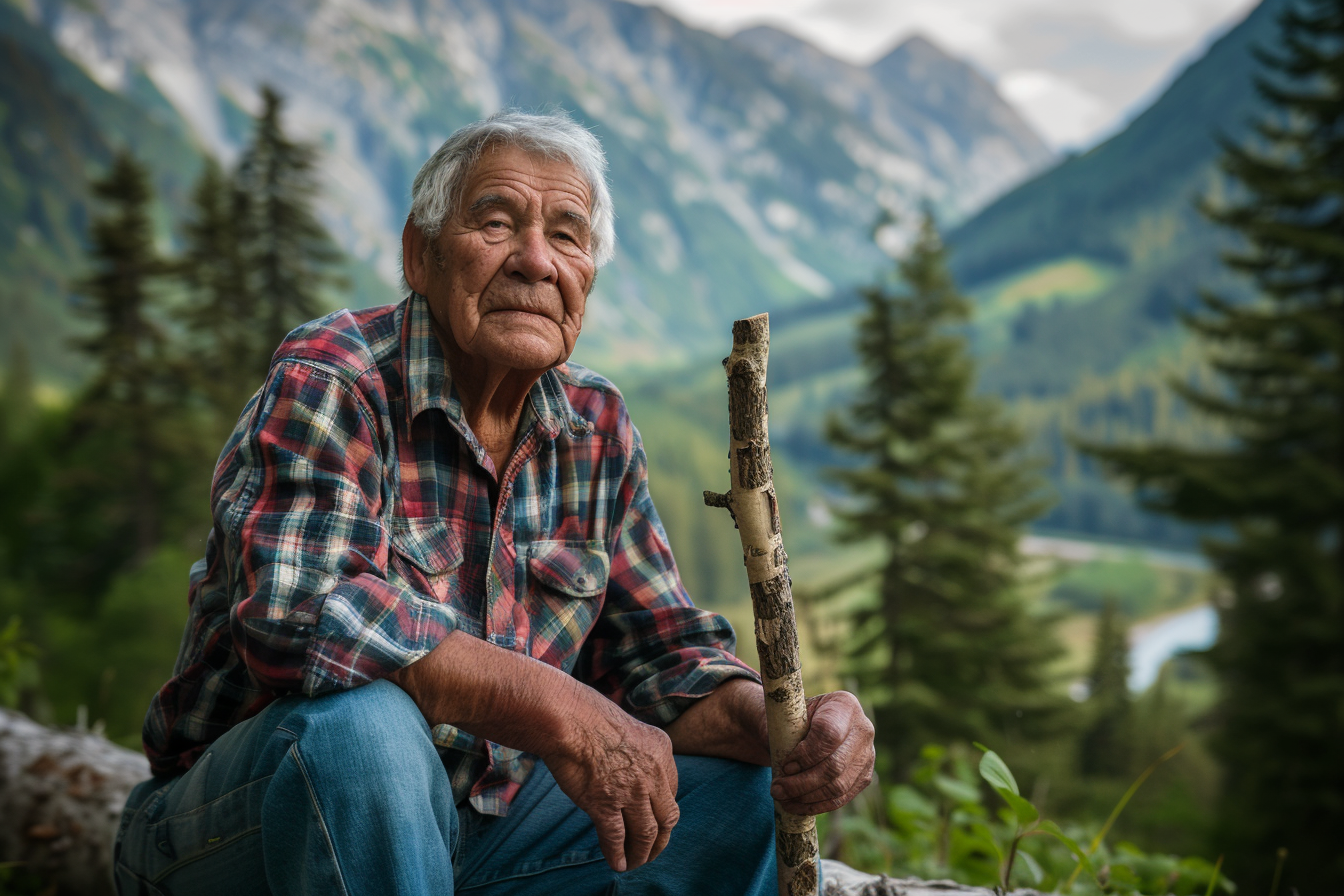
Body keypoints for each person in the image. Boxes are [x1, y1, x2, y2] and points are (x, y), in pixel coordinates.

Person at [112, 111, 875, 895]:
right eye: (497, 223)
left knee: (743, 799)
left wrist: (778, 722)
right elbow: (298, 614)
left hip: (486, 833)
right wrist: (557, 708)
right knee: (366, 733)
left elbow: (655, 658)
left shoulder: (596, 426)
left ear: (588, 277)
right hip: (238, 829)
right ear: (421, 255)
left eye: (568, 236)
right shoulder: (336, 376)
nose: (536, 261)